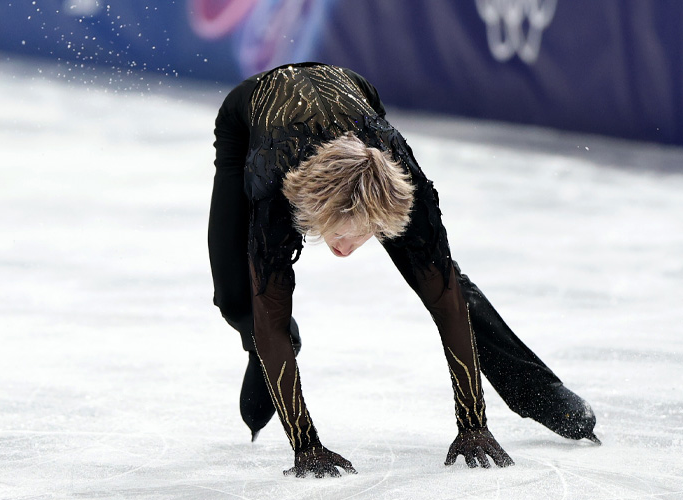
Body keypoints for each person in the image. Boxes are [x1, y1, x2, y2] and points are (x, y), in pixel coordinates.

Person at [208, 62, 599, 477]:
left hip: (355, 97)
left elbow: (446, 300)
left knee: (439, 277)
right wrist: (306, 445)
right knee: (239, 293)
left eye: (361, 235)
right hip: (251, 120)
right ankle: (267, 351)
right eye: (337, 235)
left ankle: (539, 392)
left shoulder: (403, 180)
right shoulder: (273, 187)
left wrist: (473, 425)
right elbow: (271, 312)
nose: (343, 252)